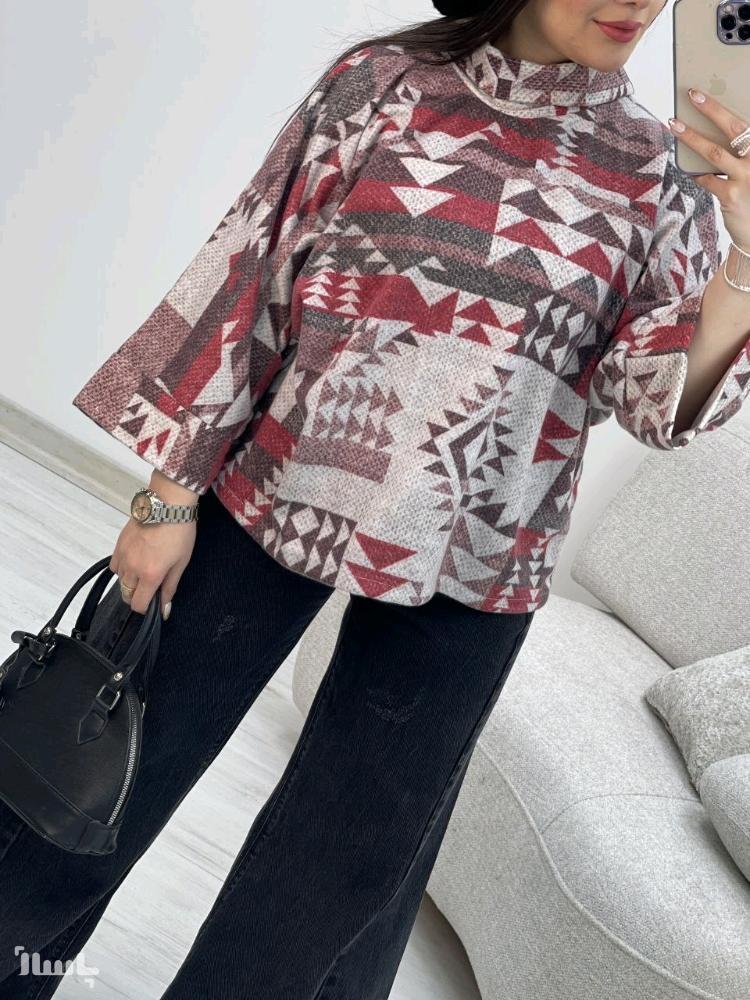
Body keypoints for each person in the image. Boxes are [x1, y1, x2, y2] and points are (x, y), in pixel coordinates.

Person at [2, 0, 750, 996]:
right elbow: (250, 277)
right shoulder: (385, 87)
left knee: (329, 884)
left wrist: (746, 259)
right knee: (91, 787)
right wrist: (165, 499)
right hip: (273, 489)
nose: (636, 2)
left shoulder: (659, 173)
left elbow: (653, 399)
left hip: (479, 564)